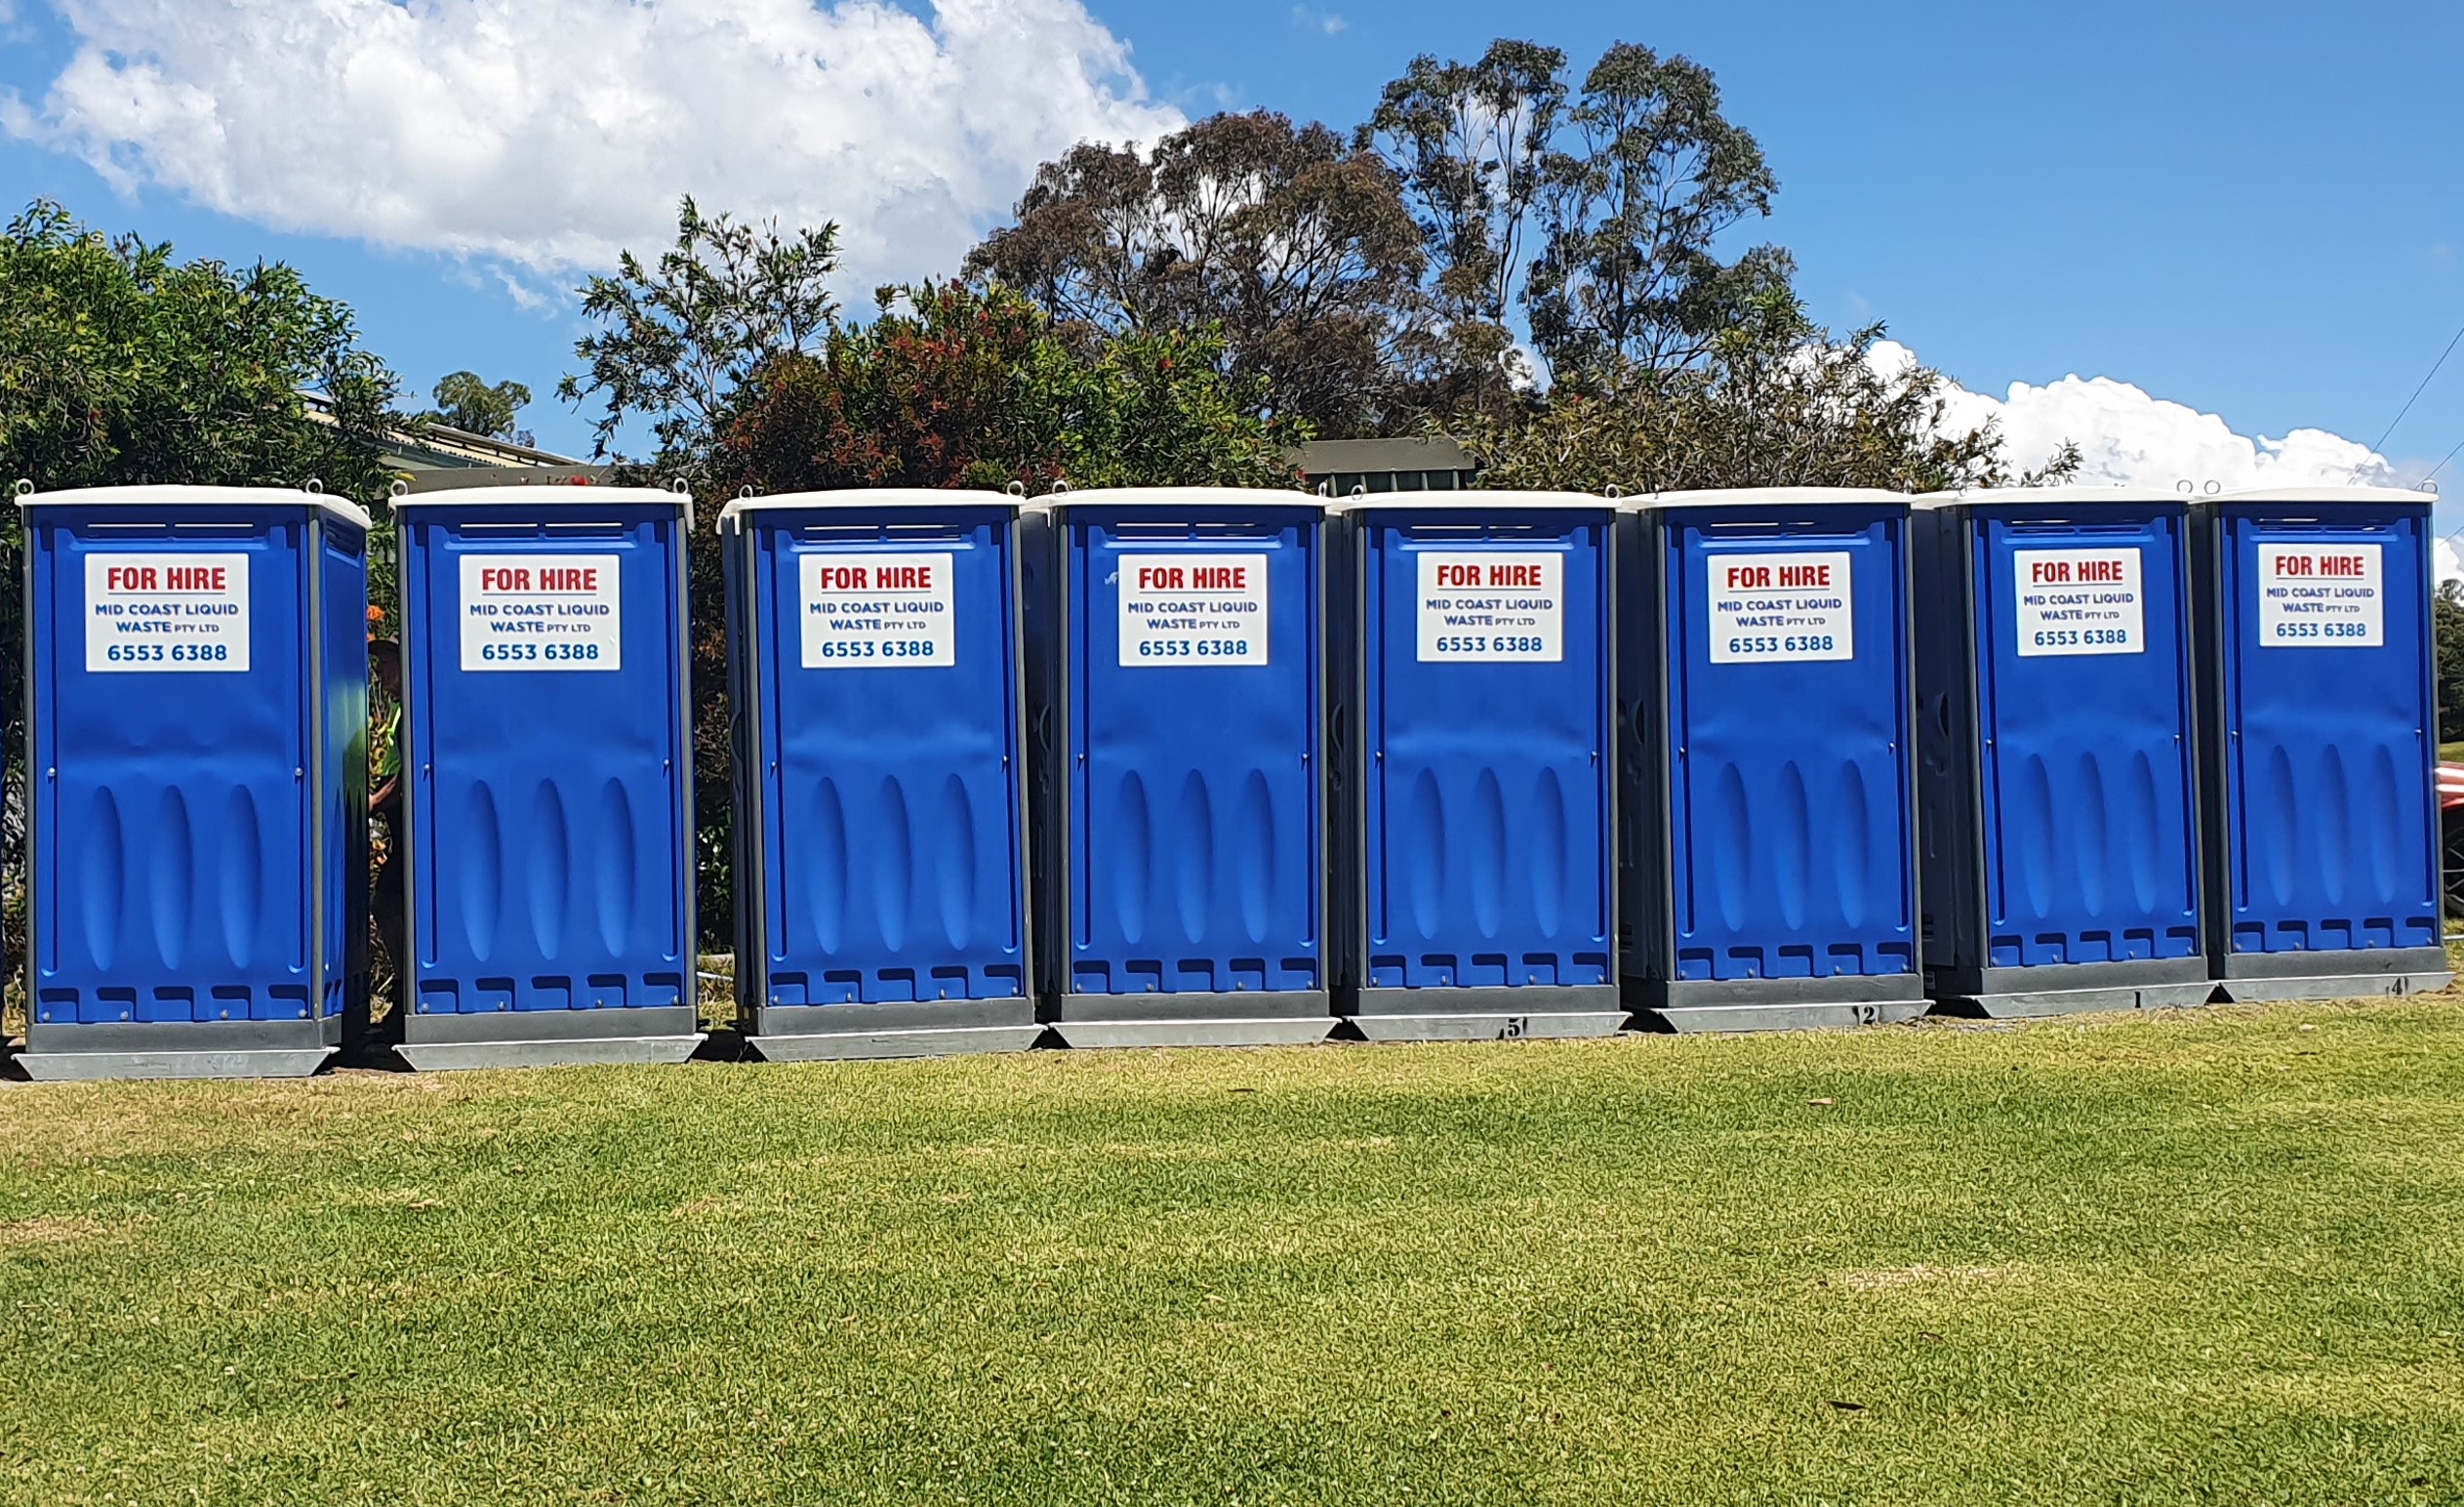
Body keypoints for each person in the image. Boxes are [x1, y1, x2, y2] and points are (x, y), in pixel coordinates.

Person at [368, 635, 408, 1030]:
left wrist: (375, 801)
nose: (380, 676)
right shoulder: (398, 710)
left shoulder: (412, 707)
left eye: (385, 665)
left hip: (410, 825)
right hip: (398, 824)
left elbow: (410, 770)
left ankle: (405, 997)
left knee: (389, 906)